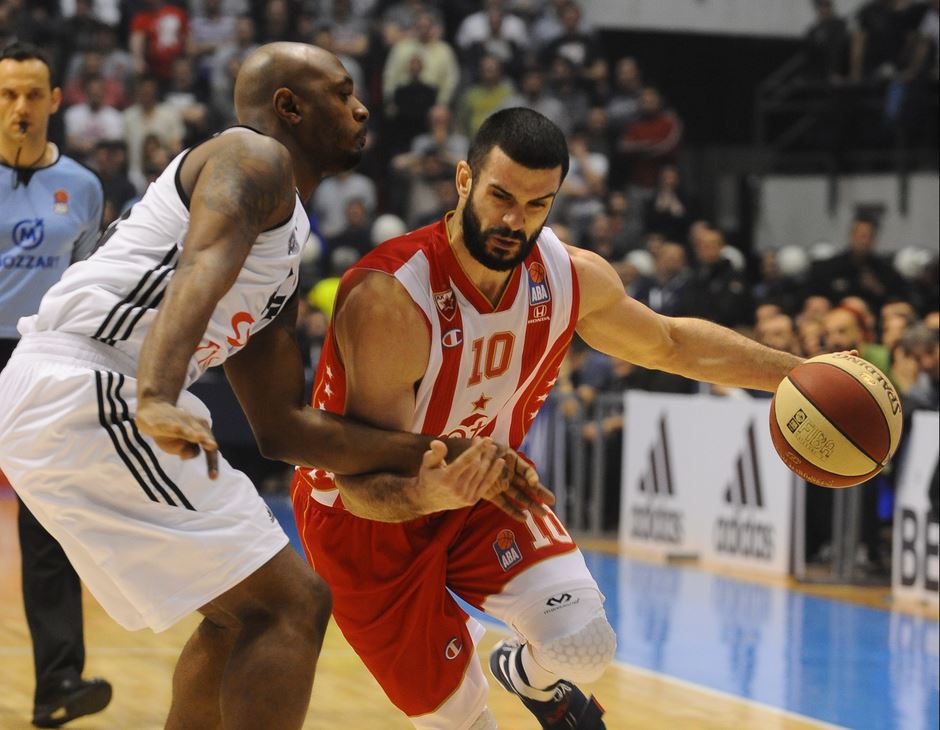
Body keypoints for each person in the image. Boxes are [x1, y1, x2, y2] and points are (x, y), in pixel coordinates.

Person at [0, 43, 543, 730]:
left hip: (77, 392)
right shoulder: (251, 156)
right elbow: (202, 262)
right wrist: (159, 394)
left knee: (240, 616)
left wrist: (435, 451)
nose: (361, 107)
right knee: (294, 604)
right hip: (95, 383)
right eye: (343, 93)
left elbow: (283, 428)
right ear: (289, 106)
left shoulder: (281, 246)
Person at [290, 108, 805, 730]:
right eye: (501, 196)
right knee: (460, 720)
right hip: (364, 522)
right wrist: (431, 488)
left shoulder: (567, 275)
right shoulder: (391, 298)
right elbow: (359, 482)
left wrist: (799, 374)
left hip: (483, 484)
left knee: (584, 644)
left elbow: (671, 343)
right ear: (463, 181)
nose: (515, 220)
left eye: (537, 204)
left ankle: (526, 676)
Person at [0, 41, 112, 728]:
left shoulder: (85, 186)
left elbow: (90, 285)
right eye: (9, 94)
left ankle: (59, 683)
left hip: (45, 357)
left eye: (32, 95)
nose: (20, 107)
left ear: (54, 101)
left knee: (48, 521)